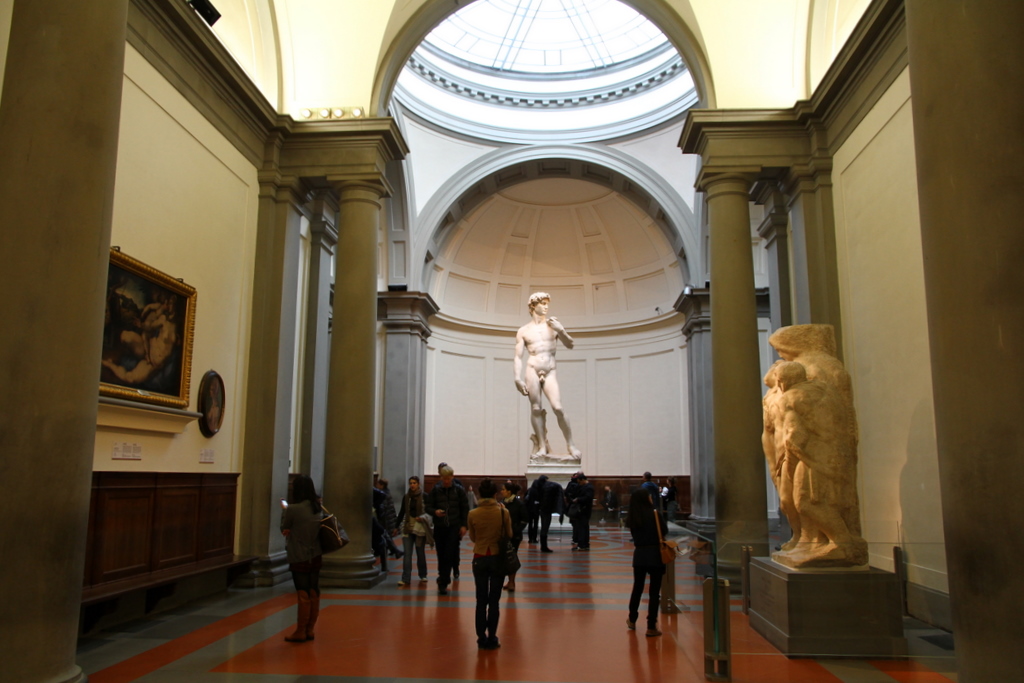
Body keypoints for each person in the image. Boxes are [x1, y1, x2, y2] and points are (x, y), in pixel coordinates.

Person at [513, 292, 582, 461]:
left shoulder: (553, 326)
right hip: (532, 369)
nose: (546, 306)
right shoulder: (523, 331)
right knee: (536, 408)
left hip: (550, 370)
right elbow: (518, 356)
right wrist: (517, 378)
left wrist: (561, 330)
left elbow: (570, 344)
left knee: (558, 408)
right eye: (542, 303)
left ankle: (571, 444)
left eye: (547, 303)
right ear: (533, 306)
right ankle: (542, 446)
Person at [467, 478, 512, 649]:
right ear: (495, 494)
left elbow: (472, 537)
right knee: (494, 601)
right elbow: (509, 533)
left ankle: (481, 638)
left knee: (480, 600)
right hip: (497, 558)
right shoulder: (503, 512)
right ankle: (492, 637)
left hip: (479, 557)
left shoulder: (473, 514)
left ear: (479, 494)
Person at [279, 474, 324, 643]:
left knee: (302, 590)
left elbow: (284, 528)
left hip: (299, 553)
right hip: (316, 553)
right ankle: (310, 629)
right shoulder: (318, 507)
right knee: (314, 589)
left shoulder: (293, 509)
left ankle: (300, 630)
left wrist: (285, 511)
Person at [625, 487, 667, 637]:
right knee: (654, 592)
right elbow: (664, 531)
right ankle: (651, 626)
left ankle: (632, 619)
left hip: (640, 554)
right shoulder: (654, 514)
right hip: (655, 554)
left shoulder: (632, 517)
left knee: (637, 588)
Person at [428, 464, 469, 595]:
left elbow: (465, 509)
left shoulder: (459, 491)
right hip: (440, 527)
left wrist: (464, 526)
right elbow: (428, 506)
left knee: (449, 553)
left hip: (454, 526)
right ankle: (443, 576)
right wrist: (435, 511)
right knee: (441, 554)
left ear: (452, 477)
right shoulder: (436, 490)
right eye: (443, 478)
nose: (446, 481)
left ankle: (443, 581)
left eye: (448, 478)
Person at [396, 476, 431, 586]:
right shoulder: (406, 497)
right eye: (410, 483)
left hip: (420, 527)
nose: (412, 485)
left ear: (418, 484)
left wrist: (423, 518)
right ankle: (406, 578)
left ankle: (423, 574)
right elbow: (402, 512)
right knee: (407, 554)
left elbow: (430, 511)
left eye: (414, 483)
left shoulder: (424, 496)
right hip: (408, 526)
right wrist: (395, 526)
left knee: (420, 552)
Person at [500, 481, 525, 591]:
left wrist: (515, 530)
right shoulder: (502, 503)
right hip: (503, 535)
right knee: (502, 558)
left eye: (503, 490)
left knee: (512, 558)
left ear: (509, 492)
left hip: (514, 536)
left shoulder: (519, 504)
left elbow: (524, 520)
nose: (502, 491)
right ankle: (506, 581)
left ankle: (511, 582)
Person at [539, 476, 563, 552]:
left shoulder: (539, 487)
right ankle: (544, 546)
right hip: (546, 510)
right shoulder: (549, 487)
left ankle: (543, 546)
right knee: (545, 528)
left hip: (542, 509)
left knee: (544, 527)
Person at [570, 474, 594, 550]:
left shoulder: (589, 487)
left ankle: (582, 544)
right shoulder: (584, 486)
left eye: (579, 482)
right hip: (582, 510)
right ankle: (583, 544)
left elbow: (588, 497)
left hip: (584, 510)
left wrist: (578, 499)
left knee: (582, 528)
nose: (579, 483)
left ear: (583, 480)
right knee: (582, 527)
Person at [524, 475, 546, 543]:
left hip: (529, 510)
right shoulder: (539, 491)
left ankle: (530, 539)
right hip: (536, 510)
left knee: (530, 524)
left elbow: (525, 499)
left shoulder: (529, 490)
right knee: (535, 525)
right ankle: (534, 538)